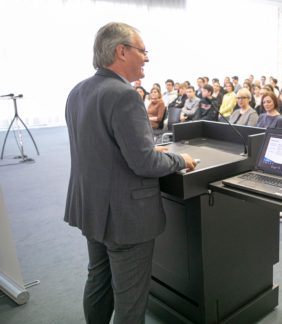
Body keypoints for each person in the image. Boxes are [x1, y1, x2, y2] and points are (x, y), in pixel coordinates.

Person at [64, 22, 196, 323]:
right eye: (142, 50)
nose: (147, 58)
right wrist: (179, 159)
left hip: (91, 206)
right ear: (121, 51)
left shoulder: (79, 91)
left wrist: (147, 150)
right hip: (124, 215)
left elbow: (101, 148)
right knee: (130, 298)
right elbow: (145, 165)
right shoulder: (124, 95)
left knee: (98, 280)